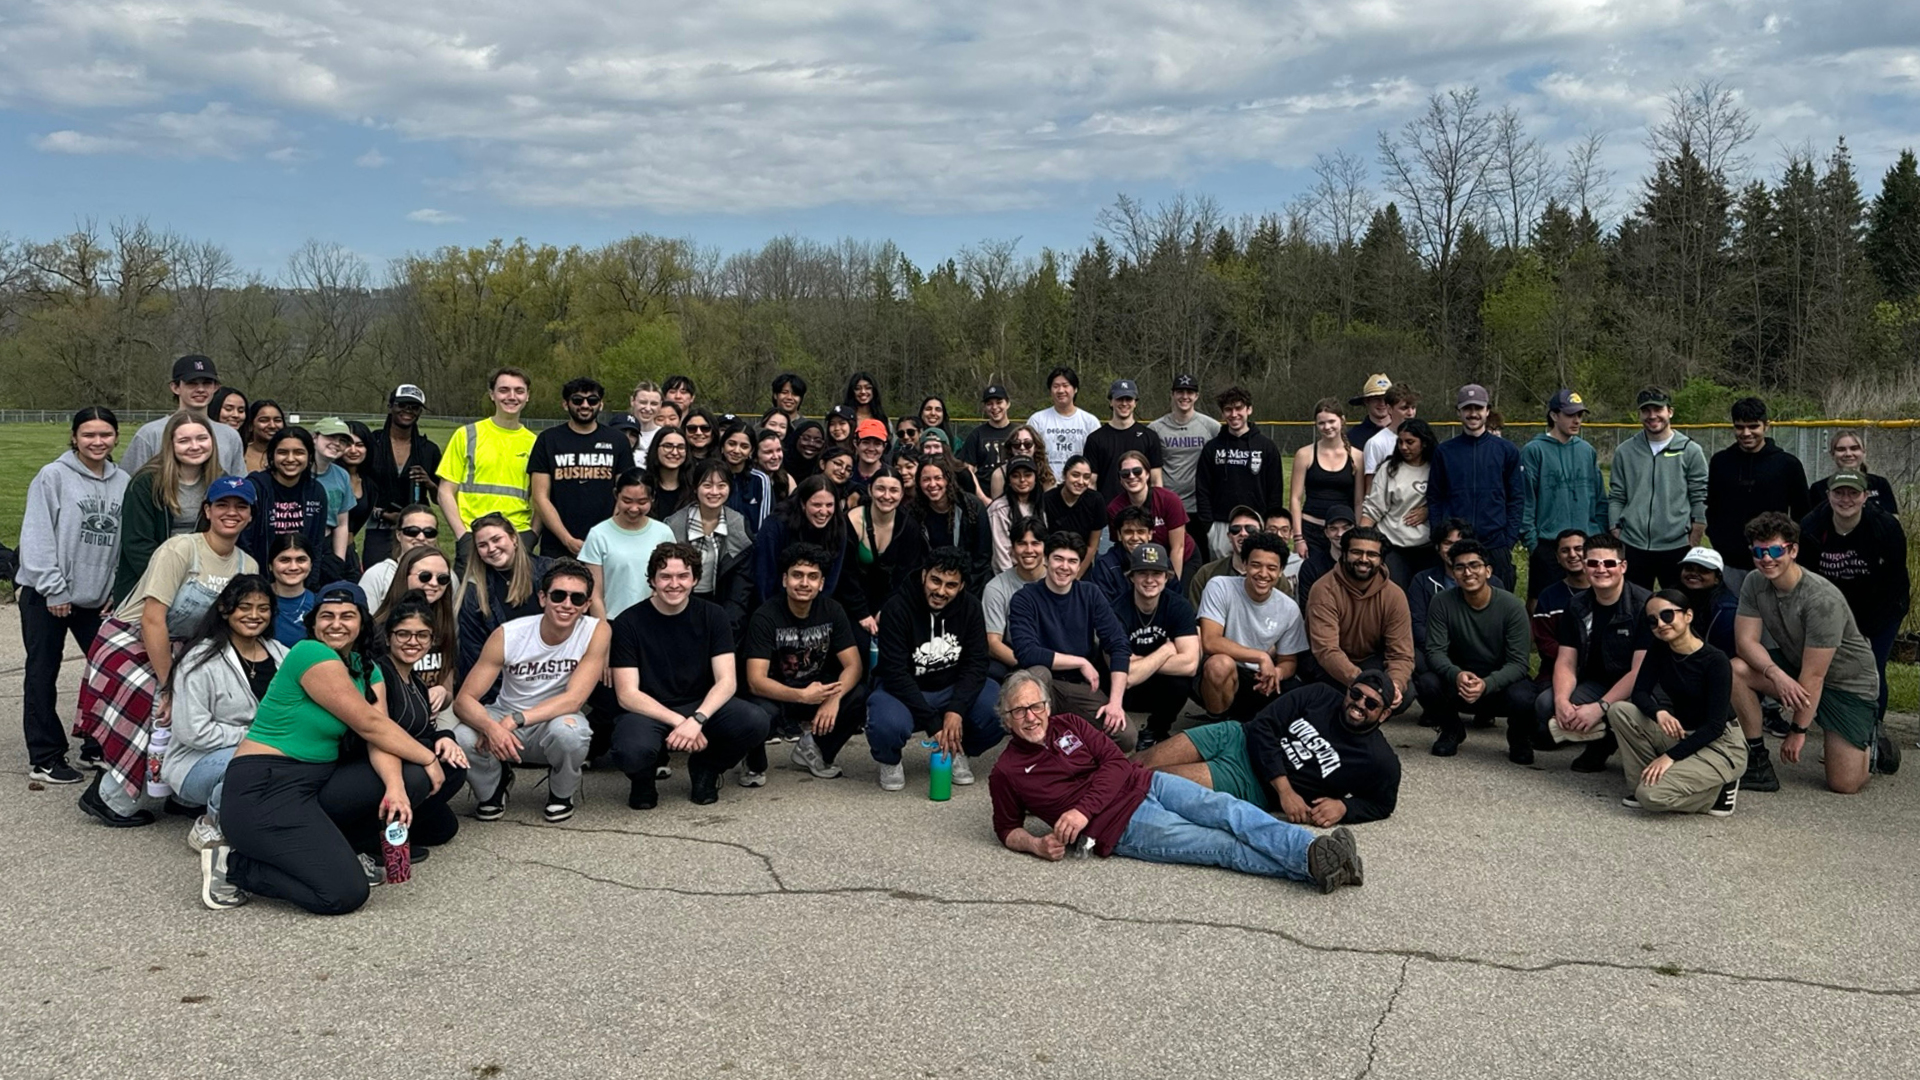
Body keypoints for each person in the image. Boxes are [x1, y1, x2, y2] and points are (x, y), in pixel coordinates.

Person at [988, 670, 1363, 891]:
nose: (1031, 717)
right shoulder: (1006, 772)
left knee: (1228, 809)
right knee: (1220, 845)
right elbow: (1006, 828)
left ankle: (1314, 851)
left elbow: (1116, 764)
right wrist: (1036, 845)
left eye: (1036, 706)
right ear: (1006, 719)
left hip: (1147, 783)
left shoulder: (1070, 724)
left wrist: (1082, 809)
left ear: (1047, 707)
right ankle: (1318, 863)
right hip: (1122, 828)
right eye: (1019, 711)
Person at [201, 581, 445, 913]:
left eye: (347, 615)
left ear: (362, 623)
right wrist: (429, 756)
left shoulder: (365, 669)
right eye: (326, 615)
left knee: (411, 777)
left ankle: (337, 850)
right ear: (313, 623)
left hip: (315, 784)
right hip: (265, 788)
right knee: (344, 894)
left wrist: (395, 787)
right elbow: (368, 724)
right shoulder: (310, 653)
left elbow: (379, 736)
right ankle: (234, 866)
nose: (336, 623)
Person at [77, 476, 260, 828]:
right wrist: (168, 686)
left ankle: (178, 790)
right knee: (159, 710)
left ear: (251, 515)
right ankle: (108, 797)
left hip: (182, 648)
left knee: (202, 702)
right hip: (129, 640)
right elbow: (152, 619)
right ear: (208, 510)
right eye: (222, 505)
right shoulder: (180, 549)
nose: (231, 512)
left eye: (241, 506)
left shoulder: (246, 566)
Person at [1731, 513, 1887, 795]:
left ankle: (1874, 748)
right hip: (1795, 668)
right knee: (1735, 668)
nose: (1767, 558)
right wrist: (1775, 674)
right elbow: (1745, 642)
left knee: (1845, 784)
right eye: (1759, 551)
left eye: (1776, 550)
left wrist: (1797, 731)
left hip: (1847, 684)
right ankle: (1756, 757)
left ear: (1793, 550)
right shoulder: (1754, 582)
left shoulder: (1821, 600)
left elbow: (1815, 676)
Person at [608, 543, 769, 806]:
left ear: (694, 579)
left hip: (701, 704)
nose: (674, 584)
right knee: (631, 750)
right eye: (665, 577)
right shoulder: (628, 622)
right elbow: (627, 694)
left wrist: (697, 718)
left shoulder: (714, 615)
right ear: (651, 580)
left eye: (683, 576)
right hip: (649, 710)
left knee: (755, 721)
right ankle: (643, 779)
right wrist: (680, 722)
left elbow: (727, 681)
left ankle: (706, 768)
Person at [18, 408, 129, 784]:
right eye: (88, 435)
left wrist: (115, 588)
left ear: (115, 437)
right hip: (47, 594)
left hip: (96, 598)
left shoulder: (124, 482)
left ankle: (95, 745)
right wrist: (54, 587)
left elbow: (122, 543)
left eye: (105, 434)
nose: (97, 442)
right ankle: (45, 756)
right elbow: (36, 535)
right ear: (74, 437)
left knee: (107, 672)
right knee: (42, 672)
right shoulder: (53, 476)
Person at [453, 559, 609, 823]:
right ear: (542, 598)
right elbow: (463, 701)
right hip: (505, 712)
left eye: (577, 598)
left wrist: (516, 720)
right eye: (558, 595)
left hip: (554, 717)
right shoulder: (509, 635)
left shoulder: (597, 631)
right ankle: (493, 787)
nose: (567, 604)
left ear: (586, 604)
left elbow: (574, 699)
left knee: (572, 733)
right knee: (463, 735)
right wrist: (491, 728)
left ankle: (561, 793)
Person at [1138, 673, 1401, 823]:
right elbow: (1264, 725)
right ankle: (1097, 779)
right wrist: (1286, 791)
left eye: (1371, 703)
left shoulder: (1380, 760)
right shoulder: (1319, 694)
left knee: (1153, 780)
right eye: (1356, 694)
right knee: (1140, 762)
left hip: (1250, 781)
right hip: (1236, 736)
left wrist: (1344, 807)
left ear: (1385, 714)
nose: (1359, 704)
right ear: (1348, 690)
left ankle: (1101, 805)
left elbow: (1382, 804)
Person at [162, 575, 288, 852]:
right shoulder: (199, 660)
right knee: (252, 763)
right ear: (224, 609)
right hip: (196, 762)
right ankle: (211, 822)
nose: (254, 615)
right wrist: (256, 738)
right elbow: (192, 731)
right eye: (244, 607)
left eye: (263, 608)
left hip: (269, 751)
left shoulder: (281, 654)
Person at [869, 548, 1004, 790]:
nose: (941, 591)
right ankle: (890, 760)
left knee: (1000, 707)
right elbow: (895, 673)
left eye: (951, 585)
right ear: (924, 575)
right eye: (935, 580)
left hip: (951, 687)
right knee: (886, 723)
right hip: (904, 689)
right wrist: (933, 723)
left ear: (961, 586)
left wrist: (957, 709)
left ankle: (958, 750)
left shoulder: (971, 607)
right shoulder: (897, 608)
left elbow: (976, 663)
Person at [1608, 590, 1743, 816]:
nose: (1660, 624)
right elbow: (1640, 692)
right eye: (1652, 620)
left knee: (1650, 797)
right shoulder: (1660, 648)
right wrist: (1659, 712)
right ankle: (1650, 779)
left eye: (1667, 615)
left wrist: (1669, 757)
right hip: (1683, 732)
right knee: (1620, 710)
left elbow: (1715, 726)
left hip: (1721, 743)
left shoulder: (1715, 660)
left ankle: (1717, 791)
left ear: (1687, 615)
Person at [743, 543, 867, 780]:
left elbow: (854, 665)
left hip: (816, 689)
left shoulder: (832, 610)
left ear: (821, 583)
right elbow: (755, 681)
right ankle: (753, 760)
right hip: (775, 694)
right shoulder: (765, 616)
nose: (804, 583)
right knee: (758, 713)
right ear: (784, 579)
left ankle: (816, 750)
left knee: (859, 695)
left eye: (812, 577)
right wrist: (801, 696)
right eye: (797, 575)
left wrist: (834, 697)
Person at [1006, 531, 1138, 750]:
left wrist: (1115, 703)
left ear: (1079, 566)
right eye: (1058, 558)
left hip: (1076, 686)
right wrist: (1080, 661)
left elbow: (1118, 645)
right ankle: (1034, 748)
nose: (1064, 567)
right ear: (1046, 560)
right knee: (1039, 672)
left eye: (1072, 561)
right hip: (1039, 684)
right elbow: (1026, 652)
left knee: (1125, 737)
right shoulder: (1025, 598)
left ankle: (1068, 739)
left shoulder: (1090, 594)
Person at [1797, 471, 1909, 725]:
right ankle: (1837, 727)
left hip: (1882, 607)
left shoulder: (1886, 527)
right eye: (1839, 493)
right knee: (1829, 670)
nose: (1845, 499)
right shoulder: (1811, 527)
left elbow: (1895, 581)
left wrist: (1867, 631)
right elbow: (1806, 579)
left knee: (1872, 669)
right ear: (1828, 496)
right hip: (1831, 609)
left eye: (1853, 493)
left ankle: (1873, 729)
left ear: (1865, 496)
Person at [1536, 532, 1652, 773]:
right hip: (1597, 681)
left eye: (1609, 563)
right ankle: (1599, 737)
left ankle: (1611, 742)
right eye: (1593, 563)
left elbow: (1641, 670)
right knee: (1546, 704)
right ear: (1585, 566)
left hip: (1642, 685)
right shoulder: (1576, 605)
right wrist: (1562, 701)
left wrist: (1600, 707)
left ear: (1623, 566)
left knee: (1626, 708)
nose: (1601, 569)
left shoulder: (1644, 605)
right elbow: (1566, 660)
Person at [1417, 540, 1536, 761]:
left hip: (1498, 685)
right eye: (1460, 567)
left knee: (1524, 695)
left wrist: (1487, 683)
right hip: (1459, 681)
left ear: (1488, 571)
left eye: (1475, 565)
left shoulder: (1512, 606)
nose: (1468, 572)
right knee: (1427, 682)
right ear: (1453, 573)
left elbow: (1519, 663)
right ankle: (1451, 730)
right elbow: (1435, 652)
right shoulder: (1441, 602)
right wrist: (1456, 674)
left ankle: (1519, 738)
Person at [376, 597, 470, 857]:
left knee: (444, 828)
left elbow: (425, 729)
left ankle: (400, 825)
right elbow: (384, 733)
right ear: (387, 638)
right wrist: (428, 754)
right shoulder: (380, 674)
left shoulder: (415, 681)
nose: (413, 642)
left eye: (422, 635)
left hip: (411, 758)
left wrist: (445, 736)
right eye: (403, 634)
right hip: (383, 765)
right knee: (429, 773)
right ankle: (371, 837)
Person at [1196, 532, 1308, 722]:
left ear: (1281, 571)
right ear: (1245, 564)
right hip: (1223, 675)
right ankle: (1216, 723)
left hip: (1260, 678)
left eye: (1272, 568)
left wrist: (1277, 673)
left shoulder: (1289, 608)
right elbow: (1210, 641)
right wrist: (1261, 656)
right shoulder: (1220, 587)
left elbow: (1289, 660)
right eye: (1256, 565)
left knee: (1300, 697)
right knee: (1220, 664)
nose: (1263, 574)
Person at [113, 411, 224, 604]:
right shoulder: (145, 483)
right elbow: (137, 544)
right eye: (184, 441)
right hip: (148, 583)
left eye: (202, 438)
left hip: (204, 583)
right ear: (170, 444)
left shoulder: (221, 482)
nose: (195, 446)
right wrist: (173, 582)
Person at [1303, 525, 1413, 712]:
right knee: (1339, 698)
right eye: (1356, 552)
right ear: (1344, 554)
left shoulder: (1394, 595)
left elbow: (1401, 653)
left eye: (1372, 554)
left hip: (1369, 660)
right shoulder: (1324, 589)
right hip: (1326, 665)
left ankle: (1367, 730)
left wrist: (1395, 683)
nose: (1363, 559)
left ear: (1381, 559)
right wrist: (1363, 684)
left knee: (1405, 694)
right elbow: (1326, 650)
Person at [1425, 384, 1524, 591]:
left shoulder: (1506, 450)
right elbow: (1434, 497)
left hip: (1495, 542)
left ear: (1487, 411)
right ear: (1458, 412)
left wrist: (1508, 539)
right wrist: (1439, 533)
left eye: (1478, 408)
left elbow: (1516, 498)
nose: (1473, 414)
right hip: (1456, 543)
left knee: (1499, 605)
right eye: (1467, 408)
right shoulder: (1445, 452)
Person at [437, 367, 537, 567]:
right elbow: (445, 492)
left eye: (519, 391)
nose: (511, 396)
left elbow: (542, 498)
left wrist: (532, 535)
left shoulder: (535, 443)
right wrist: (462, 535)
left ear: (527, 396)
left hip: (517, 538)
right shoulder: (467, 435)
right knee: (472, 597)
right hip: (475, 538)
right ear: (492, 395)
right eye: (504, 390)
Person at [1609, 387, 1707, 590]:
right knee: (1633, 606)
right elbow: (1617, 495)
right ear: (1640, 414)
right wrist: (1615, 528)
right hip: (1633, 544)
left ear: (1669, 411)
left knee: (1676, 606)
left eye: (1658, 409)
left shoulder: (1690, 450)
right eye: (1646, 411)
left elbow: (1700, 496)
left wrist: (1695, 534)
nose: (1652, 416)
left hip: (1676, 544)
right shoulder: (1625, 451)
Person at [1110, 543, 1201, 751]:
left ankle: (1156, 730)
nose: (1150, 580)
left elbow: (1190, 664)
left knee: (1181, 681)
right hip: (1126, 692)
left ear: (1167, 577)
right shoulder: (1116, 611)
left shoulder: (1179, 606)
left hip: (1162, 688)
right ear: (1131, 577)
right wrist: (1166, 651)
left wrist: (1139, 662)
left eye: (1157, 573)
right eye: (1142, 573)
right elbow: (1127, 675)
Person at [1519, 390, 1607, 603]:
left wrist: (1598, 534)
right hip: (1549, 543)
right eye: (1570, 414)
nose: (1576, 420)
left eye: (1580, 415)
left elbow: (1599, 498)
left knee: (1588, 601)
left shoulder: (1587, 450)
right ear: (1554, 415)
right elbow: (1526, 501)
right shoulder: (1534, 450)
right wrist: (1533, 544)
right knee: (1542, 604)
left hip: (1585, 541)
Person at [1707, 398, 1810, 571]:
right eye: (1740, 427)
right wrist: (1718, 540)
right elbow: (1713, 506)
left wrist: (1788, 548)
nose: (1746, 433)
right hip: (1731, 561)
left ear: (1766, 426)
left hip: (1773, 559)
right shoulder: (1720, 462)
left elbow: (1803, 512)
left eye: (1753, 426)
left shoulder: (1787, 464)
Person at [529, 377, 621, 558]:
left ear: (600, 405)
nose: (585, 405)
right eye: (577, 400)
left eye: (592, 400)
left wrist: (606, 536)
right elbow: (540, 497)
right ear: (565, 404)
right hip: (557, 545)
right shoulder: (548, 439)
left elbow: (625, 493)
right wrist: (567, 539)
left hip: (607, 544)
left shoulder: (617, 440)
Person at [664, 459, 755, 638]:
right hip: (678, 603)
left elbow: (741, 585)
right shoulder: (673, 525)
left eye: (721, 485)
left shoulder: (739, 526)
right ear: (696, 488)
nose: (714, 492)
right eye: (707, 485)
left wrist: (728, 624)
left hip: (720, 606)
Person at [453, 512, 552, 678]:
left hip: (551, 674)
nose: (491, 549)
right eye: (482, 545)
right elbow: (473, 654)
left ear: (513, 538)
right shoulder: (475, 591)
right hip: (501, 687)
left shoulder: (548, 572)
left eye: (496, 539)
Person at [1194, 386, 1287, 559]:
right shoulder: (1212, 448)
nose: (1234, 414)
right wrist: (1209, 526)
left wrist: (1268, 524)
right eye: (1228, 409)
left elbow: (1275, 490)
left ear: (1249, 409)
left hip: (1256, 523)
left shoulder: (1266, 447)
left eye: (1238, 408)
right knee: (1222, 574)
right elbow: (1203, 488)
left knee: (1255, 571)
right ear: (1222, 413)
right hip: (1222, 525)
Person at [120, 354, 248, 477]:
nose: (201, 389)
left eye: (207, 383)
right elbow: (130, 483)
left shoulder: (230, 436)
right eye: (192, 383)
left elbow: (238, 484)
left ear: (216, 387)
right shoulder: (151, 433)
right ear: (175, 387)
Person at [840, 468, 928, 646]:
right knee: (860, 644)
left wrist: (886, 608)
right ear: (870, 489)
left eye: (894, 490)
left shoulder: (908, 526)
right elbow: (845, 574)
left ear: (902, 493)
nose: (887, 496)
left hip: (890, 598)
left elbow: (905, 575)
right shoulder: (849, 521)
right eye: (881, 489)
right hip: (851, 600)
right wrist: (862, 614)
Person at [581, 468, 674, 620]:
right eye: (627, 501)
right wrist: (603, 630)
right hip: (613, 620)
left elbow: (669, 582)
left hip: (655, 621)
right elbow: (595, 594)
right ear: (616, 495)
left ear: (653, 499)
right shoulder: (598, 534)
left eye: (642, 502)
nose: (634, 509)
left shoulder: (663, 533)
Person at [377, 546, 460, 715]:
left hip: (435, 711)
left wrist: (442, 693)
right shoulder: (379, 627)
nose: (434, 583)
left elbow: (448, 686)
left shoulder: (446, 624)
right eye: (425, 576)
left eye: (443, 578)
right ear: (404, 576)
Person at [240, 426, 330, 579]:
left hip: (299, 576)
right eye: (282, 452)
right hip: (259, 576)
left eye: (299, 452)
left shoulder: (316, 491)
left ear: (309, 457)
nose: (290, 459)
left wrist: (311, 585)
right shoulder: (255, 487)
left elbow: (316, 544)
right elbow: (244, 540)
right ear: (272, 455)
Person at [1360, 417, 1435, 589]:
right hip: (1394, 545)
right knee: (1396, 595)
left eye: (1410, 442)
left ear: (1423, 442)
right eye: (1400, 442)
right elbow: (1373, 508)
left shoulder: (1436, 467)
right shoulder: (1389, 469)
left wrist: (1428, 510)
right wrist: (1360, 540)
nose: (1404, 447)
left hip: (1428, 548)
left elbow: (1447, 499)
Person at [753, 474, 848, 606]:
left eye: (829, 505)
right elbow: (764, 576)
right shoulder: (776, 525)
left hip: (815, 604)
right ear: (803, 504)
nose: (824, 511)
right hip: (774, 603)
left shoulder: (838, 526)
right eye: (817, 505)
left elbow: (831, 580)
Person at [1108, 448, 1194, 580]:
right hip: (1140, 561)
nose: (1131, 476)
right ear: (1120, 479)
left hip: (1180, 557)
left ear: (1147, 474)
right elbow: (1122, 547)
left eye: (1137, 471)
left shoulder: (1169, 500)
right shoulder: (1115, 508)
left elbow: (1178, 547)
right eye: (1125, 473)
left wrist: (1170, 583)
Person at [1150, 374, 1222, 527]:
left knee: (1200, 550)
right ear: (1172, 394)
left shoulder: (1211, 426)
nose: (1185, 396)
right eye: (1180, 392)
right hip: (1168, 504)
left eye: (1189, 392)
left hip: (1200, 506)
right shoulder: (1156, 428)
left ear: (1196, 396)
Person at [910, 456, 991, 592]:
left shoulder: (972, 507)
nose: (932, 484)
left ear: (948, 480)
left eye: (938, 478)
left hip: (968, 585)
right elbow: (914, 560)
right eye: (926, 479)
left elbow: (982, 557)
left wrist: (961, 587)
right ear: (919, 483)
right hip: (929, 587)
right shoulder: (913, 513)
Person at [1082, 379, 1165, 503]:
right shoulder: (1096, 439)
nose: (1124, 403)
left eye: (1129, 399)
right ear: (1111, 402)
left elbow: (1156, 481)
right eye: (1119, 399)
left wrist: (1156, 510)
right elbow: (1091, 483)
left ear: (1135, 402)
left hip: (1142, 512)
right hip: (1107, 510)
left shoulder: (1149, 437)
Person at [984, 516, 1048, 677]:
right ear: (1012, 549)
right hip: (1017, 657)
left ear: (1045, 548)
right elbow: (993, 643)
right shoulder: (996, 587)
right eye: (1021, 543)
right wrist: (1029, 665)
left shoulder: (1059, 581)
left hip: (1057, 654)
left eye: (1035, 543)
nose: (1029, 550)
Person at [1530, 530, 1591, 680]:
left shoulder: (1605, 592)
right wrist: (1576, 658)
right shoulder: (1548, 596)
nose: (1572, 555)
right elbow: (1544, 642)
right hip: (1556, 673)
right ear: (1558, 558)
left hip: (1602, 673)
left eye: (1578, 549)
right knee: (1543, 702)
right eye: (1565, 550)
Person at [1025, 366, 1102, 478]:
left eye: (1065, 386)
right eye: (1056, 386)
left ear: (1075, 389)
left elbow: (1096, 460)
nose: (1061, 390)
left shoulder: (1090, 422)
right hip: (1045, 486)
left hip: (1080, 486)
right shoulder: (1037, 420)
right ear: (1050, 390)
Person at [359, 504, 439, 610]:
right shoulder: (377, 576)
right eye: (412, 531)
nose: (421, 537)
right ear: (398, 535)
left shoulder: (446, 576)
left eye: (429, 532)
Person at [306, 418, 358, 573]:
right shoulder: (296, 472)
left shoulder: (342, 475)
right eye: (330, 437)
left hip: (326, 544)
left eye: (342, 441)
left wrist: (338, 560)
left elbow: (342, 524)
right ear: (314, 438)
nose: (336, 443)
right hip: (299, 543)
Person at [1039, 455, 1106, 575]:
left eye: (1086, 477)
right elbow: (1042, 541)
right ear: (1064, 475)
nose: (1081, 482)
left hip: (1082, 564)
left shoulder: (1096, 500)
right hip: (1051, 565)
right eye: (1075, 475)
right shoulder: (1047, 499)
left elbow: (1092, 546)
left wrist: (1076, 576)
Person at [1808, 429, 1898, 512]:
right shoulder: (1819, 488)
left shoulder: (1880, 484)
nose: (1848, 454)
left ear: (1864, 452)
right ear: (1832, 454)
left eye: (1854, 448)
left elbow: (1893, 522)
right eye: (1841, 449)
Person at [1676, 546, 1740, 657]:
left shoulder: (1725, 609)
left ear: (1717, 578)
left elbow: (1722, 652)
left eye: (1703, 570)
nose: (1694, 573)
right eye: (1689, 568)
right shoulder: (1671, 596)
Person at [987, 457, 1046, 572]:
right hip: (1011, 575)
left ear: (1035, 478)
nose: (1022, 480)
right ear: (1008, 480)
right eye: (1015, 476)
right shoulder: (1000, 509)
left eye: (1028, 475)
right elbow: (1001, 555)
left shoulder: (1042, 505)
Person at [1360, 383, 1420, 491]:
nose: (1410, 413)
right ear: (1390, 409)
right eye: (1404, 408)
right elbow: (1370, 489)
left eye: (1413, 408)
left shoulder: (1423, 439)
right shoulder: (1376, 443)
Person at [1294, 505, 1354, 606]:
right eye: (1333, 528)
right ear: (1326, 532)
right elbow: (1306, 607)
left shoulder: (1362, 564)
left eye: (1346, 528)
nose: (1340, 534)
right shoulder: (1311, 567)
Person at [265, 534, 319, 647]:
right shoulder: (256, 599)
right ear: (270, 565)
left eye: (301, 560)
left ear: (311, 565)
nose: (293, 567)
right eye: (285, 560)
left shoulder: (318, 604)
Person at [957, 384, 1016, 476]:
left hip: (1013, 488)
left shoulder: (1017, 433)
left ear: (1008, 403)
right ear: (984, 407)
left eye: (999, 402)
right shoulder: (976, 435)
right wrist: (978, 490)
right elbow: (968, 468)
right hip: (984, 488)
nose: (994, 407)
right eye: (989, 404)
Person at [642, 426, 691, 518]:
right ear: (655, 449)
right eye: (668, 446)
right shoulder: (643, 486)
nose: (675, 452)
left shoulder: (695, 489)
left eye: (681, 447)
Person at [1347, 373, 1394, 450]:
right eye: (1376, 398)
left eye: (1386, 398)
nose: (1382, 403)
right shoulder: (1353, 436)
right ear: (1366, 401)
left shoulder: (1404, 432)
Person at [240, 399, 286, 475]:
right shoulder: (240, 453)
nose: (272, 425)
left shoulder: (291, 454)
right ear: (250, 425)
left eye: (277, 420)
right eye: (264, 420)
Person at [627, 380, 663, 466]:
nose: (648, 408)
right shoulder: (621, 432)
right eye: (643, 402)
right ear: (632, 401)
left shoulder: (664, 435)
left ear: (660, 405)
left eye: (654, 404)